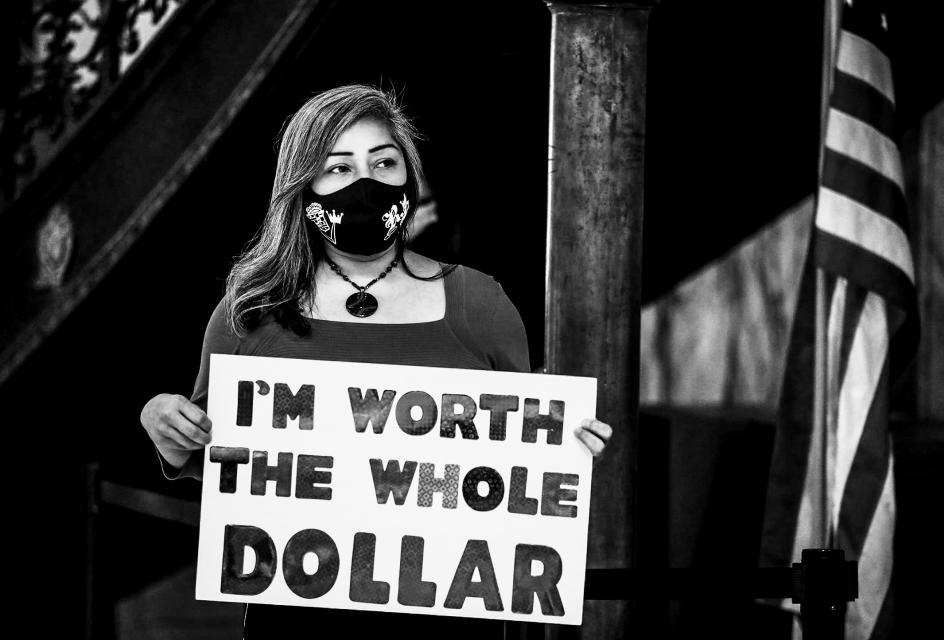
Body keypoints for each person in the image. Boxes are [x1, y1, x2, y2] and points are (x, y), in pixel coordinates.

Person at [139, 84, 612, 637]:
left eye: (383, 162)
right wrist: (165, 424)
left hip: (453, 624)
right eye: (338, 168)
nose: (365, 183)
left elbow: (517, 467)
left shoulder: (482, 304)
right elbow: (210, 455)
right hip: (297, 623)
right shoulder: (249, 312)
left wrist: (566, 450)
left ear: (409, 178)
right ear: (303, 187)